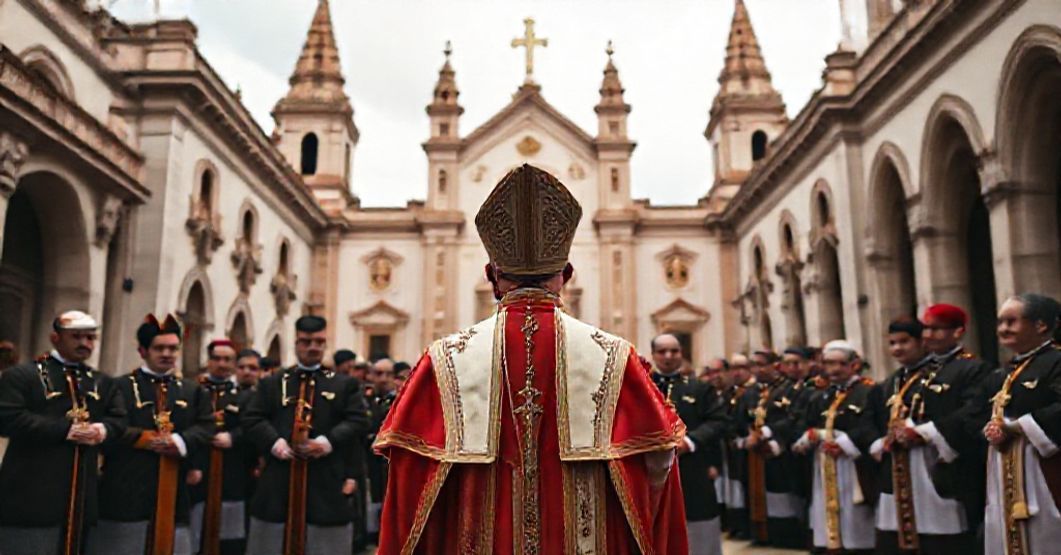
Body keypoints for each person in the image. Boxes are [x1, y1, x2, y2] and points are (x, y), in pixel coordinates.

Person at [375, 164, 688, 553]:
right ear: (566, 275)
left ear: (492, 276)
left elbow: (407, 488)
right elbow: (657, 470)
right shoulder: (615, 357)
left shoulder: (444, 361)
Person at [242, 315, 370, 554]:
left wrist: (326, 442)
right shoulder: (273, 383)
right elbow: (252, 418)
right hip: (279, 478)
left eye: (319, 342)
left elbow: (358, 420)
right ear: (296, 343)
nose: (313, 347)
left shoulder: (344, 385)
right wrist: (275, 443)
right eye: (306, 341)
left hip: (325, 480)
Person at [0, 311, 125, 555]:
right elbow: (8, 418)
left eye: (90, 338)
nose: (84, 344)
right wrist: (65, 430)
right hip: (31, 493)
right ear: (55, 338)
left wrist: (103, 430)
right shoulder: (23, 375)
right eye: (76, 337)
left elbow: (119, 419)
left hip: (80, 498)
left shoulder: (102, 382)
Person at [89, 314, 213, 555]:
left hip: (175, 487)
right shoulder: (118, 386)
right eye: (159, 348)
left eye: (173, 348)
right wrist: (145, 439)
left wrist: (179, 440)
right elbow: (110, 425)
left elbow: (206, 426)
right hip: (125, 485)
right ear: (142, 350)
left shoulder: (192, 390)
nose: (167, 353)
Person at [871, 317, 971, 553]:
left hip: (930, 463)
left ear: (921, 342)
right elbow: (870, 421)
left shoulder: (938, 375)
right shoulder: (888, 383)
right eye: (892, 343)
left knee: (936, 533)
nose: (897, 349)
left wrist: (921, 433)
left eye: (904, 342)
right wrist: (879, 442)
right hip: (895, 465)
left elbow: (953, 413)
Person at [977, 294, 1061, 554]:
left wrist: (1018, 427)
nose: (1003, 328)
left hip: (1045, 469)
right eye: (1000, 322)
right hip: (1005, 470)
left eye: (1012, 321)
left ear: (1041, 325)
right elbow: (977, 412)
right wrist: (988, 427)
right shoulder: (1003, 373)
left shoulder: (1055, 361)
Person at [915, 303, 993, 545]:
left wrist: (930, 432)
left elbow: (973, 410)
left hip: (959, 459)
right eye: (925, 328)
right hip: (920, 460)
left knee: (962, 532)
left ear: (958, 332)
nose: (928, 335)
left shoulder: (973, 367)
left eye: (936, 329)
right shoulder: (926, 370)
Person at [794, 340, 880, 554]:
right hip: (824, 465)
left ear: (855, 364)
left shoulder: (869, 391)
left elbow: (873, 424)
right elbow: (806, 423)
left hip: (854, 466)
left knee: (856, 519)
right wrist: (808, 436)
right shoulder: (821, 395)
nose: (833, 369)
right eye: (828, 363)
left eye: (840, 364)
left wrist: (844, 442)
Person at [650, 334, 728, 555]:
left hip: (693, 466)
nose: (668, 356)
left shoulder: (700, 389)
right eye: (662, 351)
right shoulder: (642, 386)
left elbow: (719, 421)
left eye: (674, 351)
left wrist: (691, 441)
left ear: (681, 353)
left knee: (699, 521)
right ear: (654, 354)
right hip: (651, 469)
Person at [188, 339, 251, 555]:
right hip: (198, 471)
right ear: (208, 361)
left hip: (232, 472)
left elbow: (253, 427)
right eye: (217, 358)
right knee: (195, 531)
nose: (222, 364)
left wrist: (233, 437)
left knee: (229, 537)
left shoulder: (245, 396)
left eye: (227, 359)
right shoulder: (193, 392)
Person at [738, 349, 804, 547]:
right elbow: (738, 420)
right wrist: (747, 436)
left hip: (780, 451)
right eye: (755, 365)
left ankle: (785, 536)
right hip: (753, 453)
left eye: (762, 364)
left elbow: (794, 418)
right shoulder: (749, 393)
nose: (758, 369)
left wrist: (768, 434)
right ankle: (760, 533)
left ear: (775, 366)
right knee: (755, 492)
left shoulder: (790, 390)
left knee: (780, 494)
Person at [721, 353, 753, 539]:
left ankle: (749, 526)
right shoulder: (729, 393)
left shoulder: (754, 392)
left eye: (742, 368)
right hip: (731, 447)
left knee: (746, 486)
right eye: (734, 368)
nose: (737, 372)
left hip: (748, 447)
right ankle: (736, 523)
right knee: (734, 487)